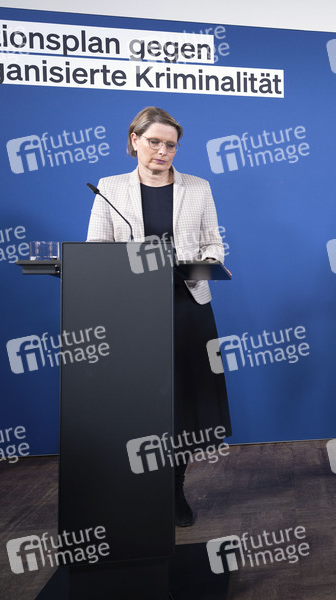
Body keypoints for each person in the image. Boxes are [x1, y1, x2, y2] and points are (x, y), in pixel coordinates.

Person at [86, 106, 230, 526]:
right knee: (136, 402)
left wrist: (198, 263)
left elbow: (214, 245)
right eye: (154, 142)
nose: (163, 151)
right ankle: (136, 489)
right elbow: (96, 250)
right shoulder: (109, 188)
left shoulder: (198, 187)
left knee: (183, 405)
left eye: (171, 145)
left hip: (187, 307)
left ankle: (174, 489)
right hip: (131, 311)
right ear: (134, 140)